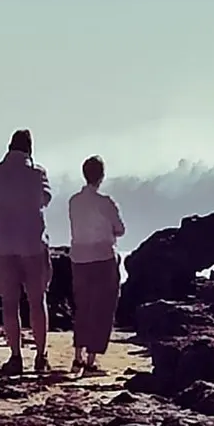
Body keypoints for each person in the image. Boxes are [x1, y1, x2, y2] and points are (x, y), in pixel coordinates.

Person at [0, 129, 53, 376]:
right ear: (29, 149)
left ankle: (15, 356)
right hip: (32, 245)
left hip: (2, 245)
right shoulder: (37, 173)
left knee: (9, 303)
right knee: (37, 301)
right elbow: (45, 199)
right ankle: (41, 356)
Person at [68, 155, 124, 375]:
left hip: (79, 258)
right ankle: (91, 361)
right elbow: (120, 229)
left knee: (83, 307)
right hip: (102, 258)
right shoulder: (106, 202)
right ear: (102, 176)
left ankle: (77, 357)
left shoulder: (73, 201)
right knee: (101, 308)